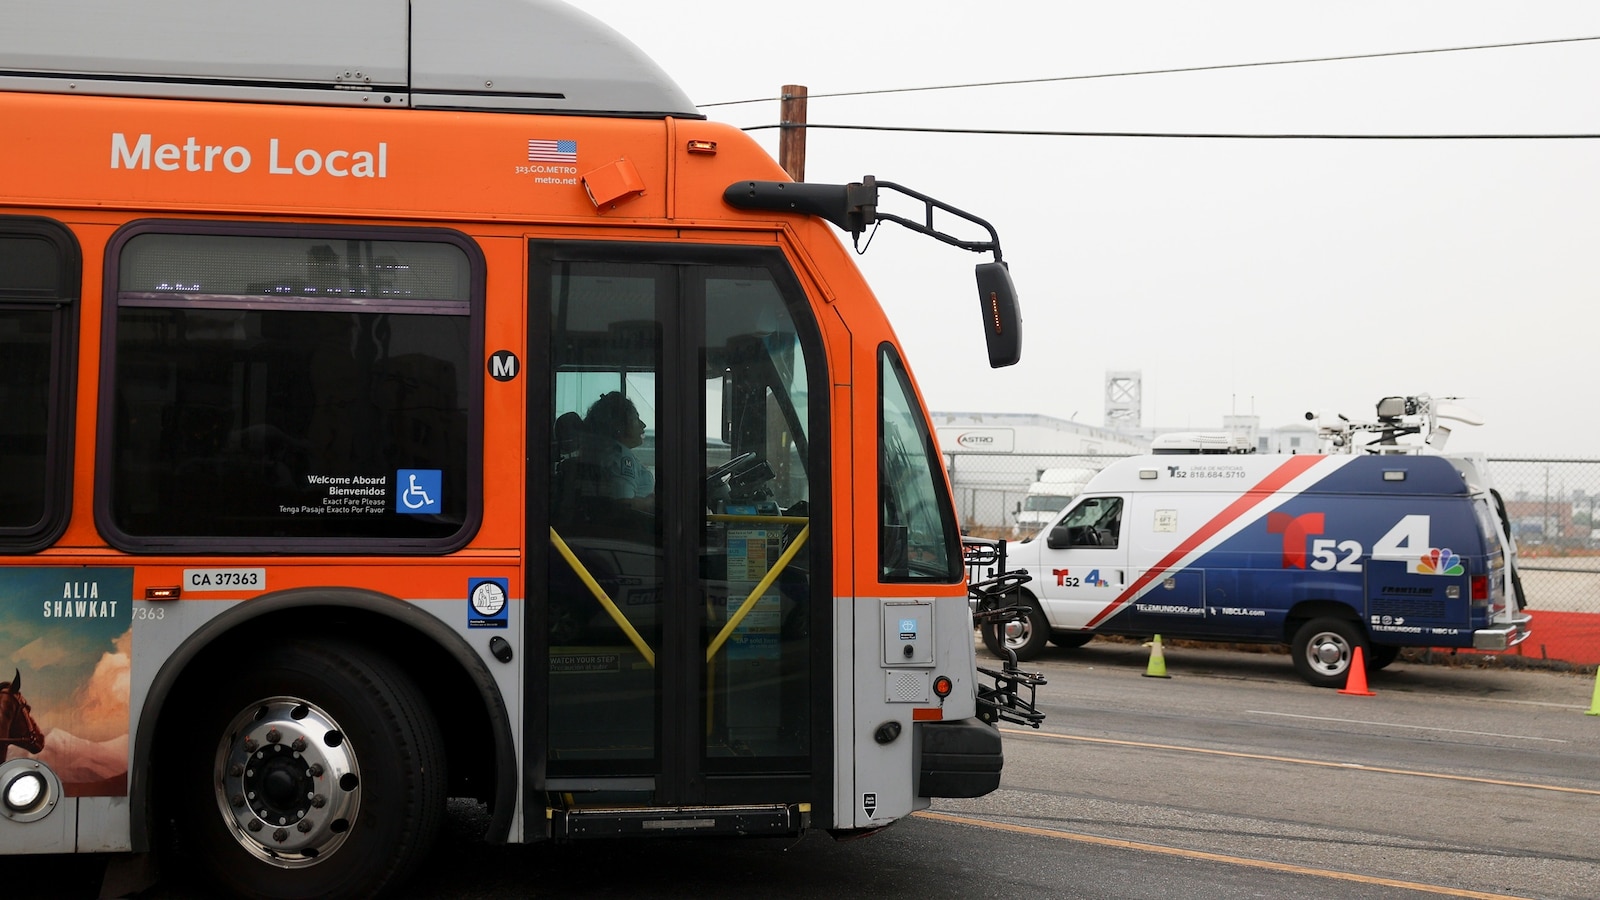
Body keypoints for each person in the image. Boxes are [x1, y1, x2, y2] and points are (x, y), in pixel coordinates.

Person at [579, 392, 655, 506]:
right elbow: (623, 504)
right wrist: (650, 502)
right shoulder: (621, 456)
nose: (643, 425)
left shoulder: (604, 453)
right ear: (619, 426)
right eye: (635, 419)